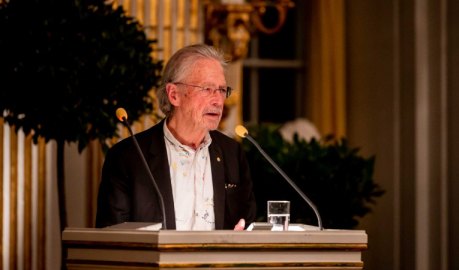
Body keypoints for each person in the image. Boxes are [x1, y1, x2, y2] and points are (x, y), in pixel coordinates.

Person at [95, 44, 256, 230]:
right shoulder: (128, 157)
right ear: (174, 95)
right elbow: (111, 238)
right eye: (207, 89)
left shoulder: (232, 153)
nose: (218, 100)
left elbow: (248, 223)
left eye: (221, 90)